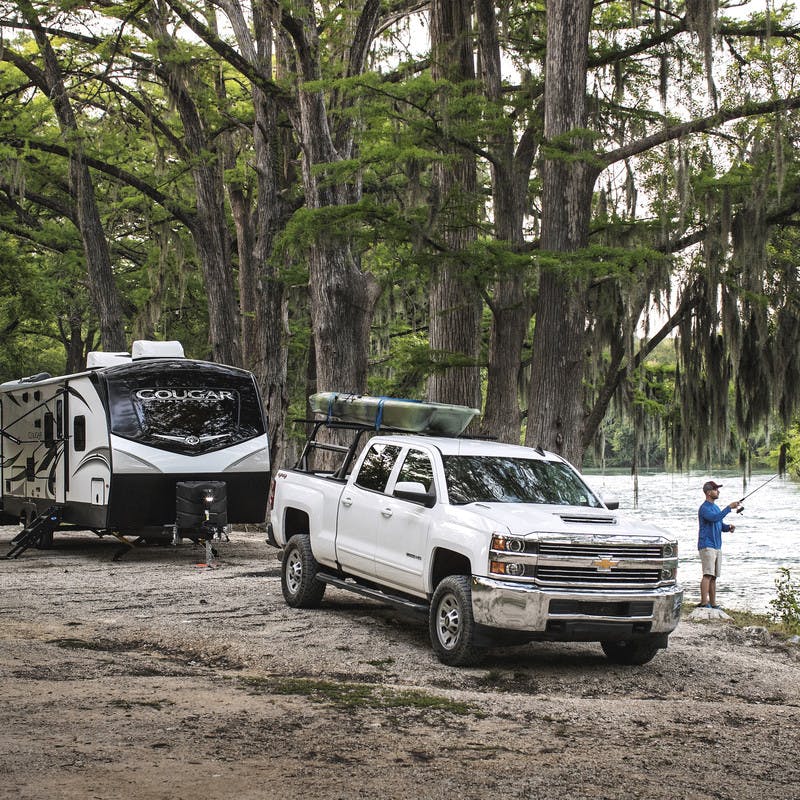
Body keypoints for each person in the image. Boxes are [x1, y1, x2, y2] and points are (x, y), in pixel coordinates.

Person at [697, 480, 739, 609]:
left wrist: (728, 527)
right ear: (709, 492)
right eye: (716, 489)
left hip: (717, 546)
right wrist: (728, 508)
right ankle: (704, 602)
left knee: (714, 576)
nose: (718, 491)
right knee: (707, 574)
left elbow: (719, 524)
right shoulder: (704, 508)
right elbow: (714, 518)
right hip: (707, 545)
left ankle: (713, 603)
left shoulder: (715, 508)